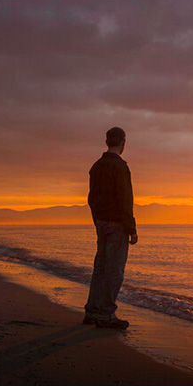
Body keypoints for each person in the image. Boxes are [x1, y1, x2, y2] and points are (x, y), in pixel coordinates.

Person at [83, 126, 138, 329]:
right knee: (114, 269)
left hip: (101, 221)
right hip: (116, 223)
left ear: (107, 142)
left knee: (101, 268)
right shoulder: (120, 167)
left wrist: (97, 220)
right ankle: (106, 314)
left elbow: (91, 198)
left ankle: (92, 311)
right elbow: (125, 199)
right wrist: (131, 228)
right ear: (123, 143)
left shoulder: (97, 166)